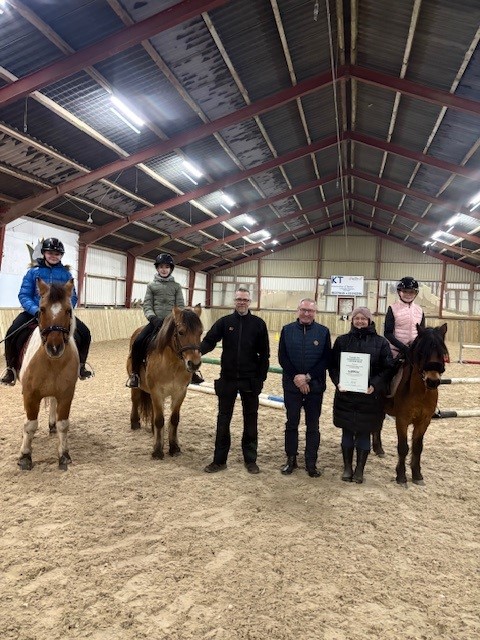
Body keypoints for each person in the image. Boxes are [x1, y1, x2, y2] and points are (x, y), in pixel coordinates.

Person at [0, 237, 92, 386]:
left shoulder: (66, 275)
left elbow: (73, 296)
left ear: (61, 256)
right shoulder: (32, 273)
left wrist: (64, 310)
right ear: (44, 253)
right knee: (12, 332)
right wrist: (35, 310)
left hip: (59, 314)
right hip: (35, 312)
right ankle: (10, 369)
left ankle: (81, 366)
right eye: (50, 253)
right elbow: (24, 295)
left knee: (85, 333)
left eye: (57, 254)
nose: (53, 256)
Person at [200, 288, 270, 474]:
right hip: (228, 379)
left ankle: (250, 460)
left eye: (245, 300)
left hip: (250, 380)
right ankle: (219, 460)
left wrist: (260, 379)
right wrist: (197, 351)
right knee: (223, 421)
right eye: (239, 299)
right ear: (234, 301)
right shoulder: (225, 322)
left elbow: (265, 355)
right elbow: (209, 341)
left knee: (250, 421)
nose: (242, 302)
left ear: (250, 302)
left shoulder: (258, 324)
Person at [329, 307, 394, 483]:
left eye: (363, 318)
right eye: (356, 318)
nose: (360, 321)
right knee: (347, 432)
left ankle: (359, 469)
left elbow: (388, 368)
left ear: (369, 321)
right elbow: (333, 366)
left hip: (370, 397)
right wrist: (338, 382)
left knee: (364, 433)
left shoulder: (381, 343)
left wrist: (374, 385)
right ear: (352, 320)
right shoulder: (342, 341)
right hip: (346, 395)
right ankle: (347, 467)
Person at [278, 298, 331, 478]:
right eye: (303, 310)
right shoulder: (287, 330)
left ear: (315, 313)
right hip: (292, 385)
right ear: (298, 310)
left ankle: (311, 462)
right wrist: (297, 378)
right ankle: (291, 459)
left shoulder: (323, 332)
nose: (306, 313)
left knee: (313, 425)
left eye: (310, 311)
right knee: (291, 423)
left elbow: (326, 359)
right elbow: (282, 357)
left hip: (315, 387)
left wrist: (308, 377)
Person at [126, 253, 195, 388]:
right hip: (155, 322)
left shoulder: (176, 286)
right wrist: (153, 318)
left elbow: (180, 306)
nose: (164, 269)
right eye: (161, 267)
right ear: (157, 268)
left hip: (173, 323)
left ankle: (193, 371)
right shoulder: (151, 286)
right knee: (138, 342)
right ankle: (135, 374)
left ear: (171, 269)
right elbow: (147, 305)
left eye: (167, 267)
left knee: (189, 342)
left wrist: (176, 319)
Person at [384, 276, 425, 358]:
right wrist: (403, 348)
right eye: (405, 291)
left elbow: (422, 333)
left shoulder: (420, 310)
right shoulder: (392, 308)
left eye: (411, 292)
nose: (408, 294)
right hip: (396, 350)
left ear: (416, 293)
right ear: (399, 292)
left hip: (415, 350)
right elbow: (388, 333)